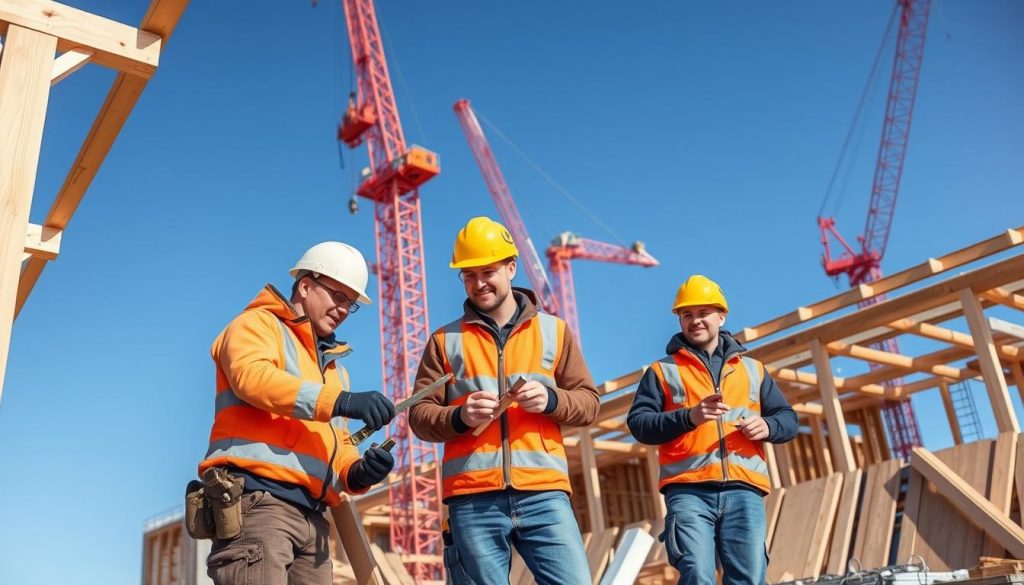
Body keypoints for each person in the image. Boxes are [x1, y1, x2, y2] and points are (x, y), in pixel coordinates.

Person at [408, 217, 600, 585]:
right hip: (471, 496)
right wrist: (459, 416)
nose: (478, 283)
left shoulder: (554, 331)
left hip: (544, 492)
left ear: (511, 268)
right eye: (468, 274)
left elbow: (589, 403)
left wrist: (550, 399)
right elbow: (419, 416)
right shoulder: (443, 340)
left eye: (488, 271)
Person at [198, 241, 397, 584]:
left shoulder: (333, 369)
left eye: (350, 303)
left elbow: (337, 441)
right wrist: (340, 401)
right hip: (259, 502)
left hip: (314, 518)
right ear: (306, 285)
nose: (343, 309)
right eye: (338, 296)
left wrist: (358, 472)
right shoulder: (257, 324)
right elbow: (253, 378)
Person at [627, 275, 798, 585]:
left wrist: (768, 425)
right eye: (687, 314)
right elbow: (639, 424)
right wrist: (688, 417)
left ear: (722, 316)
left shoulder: (753, 370)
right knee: (697, 574)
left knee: (749, 578)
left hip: (745, 489)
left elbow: (788, 419)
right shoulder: (662, 371)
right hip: (688, 489)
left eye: (703, 313)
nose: (695, 321)